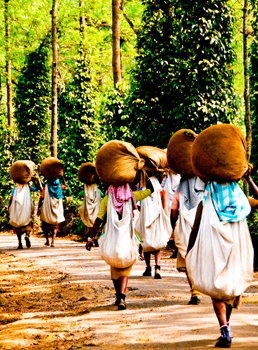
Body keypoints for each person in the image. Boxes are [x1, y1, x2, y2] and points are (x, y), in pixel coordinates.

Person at [187, 176, 255, 348]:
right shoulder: (240, 201)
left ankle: (224, 328)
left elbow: (195, 227)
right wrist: (248, 179)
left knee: (216, 285)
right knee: (231, 288)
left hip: (213, 248)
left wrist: (190, 250)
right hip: (236, 252)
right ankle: (227, 326)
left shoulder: (207, 202)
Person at [86, 174, 154, 310]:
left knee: (115, 266)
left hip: (112, 239)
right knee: (125, 267)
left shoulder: (107, 199)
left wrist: (90, 237)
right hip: (126, 238)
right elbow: (150, 190)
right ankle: (121, 296)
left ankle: (118, 295)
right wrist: (144, 174)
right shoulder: (131, 197)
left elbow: (99, 220)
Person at [171, 176, 205, 305]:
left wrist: (172, 226)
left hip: (184, 228)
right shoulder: (205, 189)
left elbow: (173, 210)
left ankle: (194, 292)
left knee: (188, 258)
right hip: (202, 225)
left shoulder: (180, 190)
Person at [8, 174, 41, 249]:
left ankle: (20, 243)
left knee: (17, 225)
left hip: (17, 209)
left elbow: (11, 199)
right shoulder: (28, 188)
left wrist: (9, 208)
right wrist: (34, 180)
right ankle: (27, 235)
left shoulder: (14, 189)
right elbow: (37, 188)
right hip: (26, 207)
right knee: (27, 221)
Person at [37, 170, 67, 247]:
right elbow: (65, 185)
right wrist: (62, 176)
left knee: (45, 225)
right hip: (56, 211)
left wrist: (38, 208)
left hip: (47, 211)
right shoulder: (59, 189)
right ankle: (52, 242)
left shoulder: (46, 187)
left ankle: (47, 240)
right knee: (55, 226)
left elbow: (41, 198)